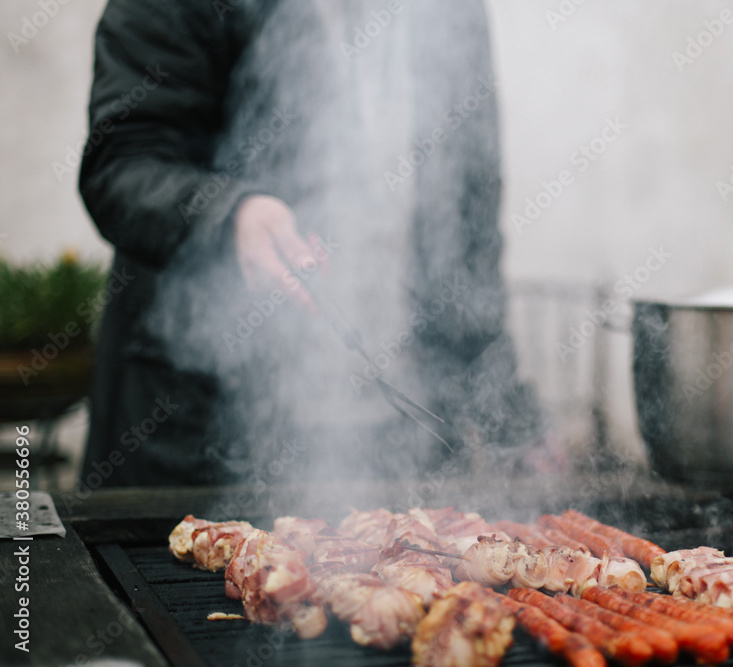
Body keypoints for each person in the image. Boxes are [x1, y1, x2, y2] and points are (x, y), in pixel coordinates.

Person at [79, 0, 548, 487]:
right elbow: (122, 161)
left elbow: (470, 225)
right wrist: (227, 215)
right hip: (204, 432)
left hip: (405, 432)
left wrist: (510, 413)